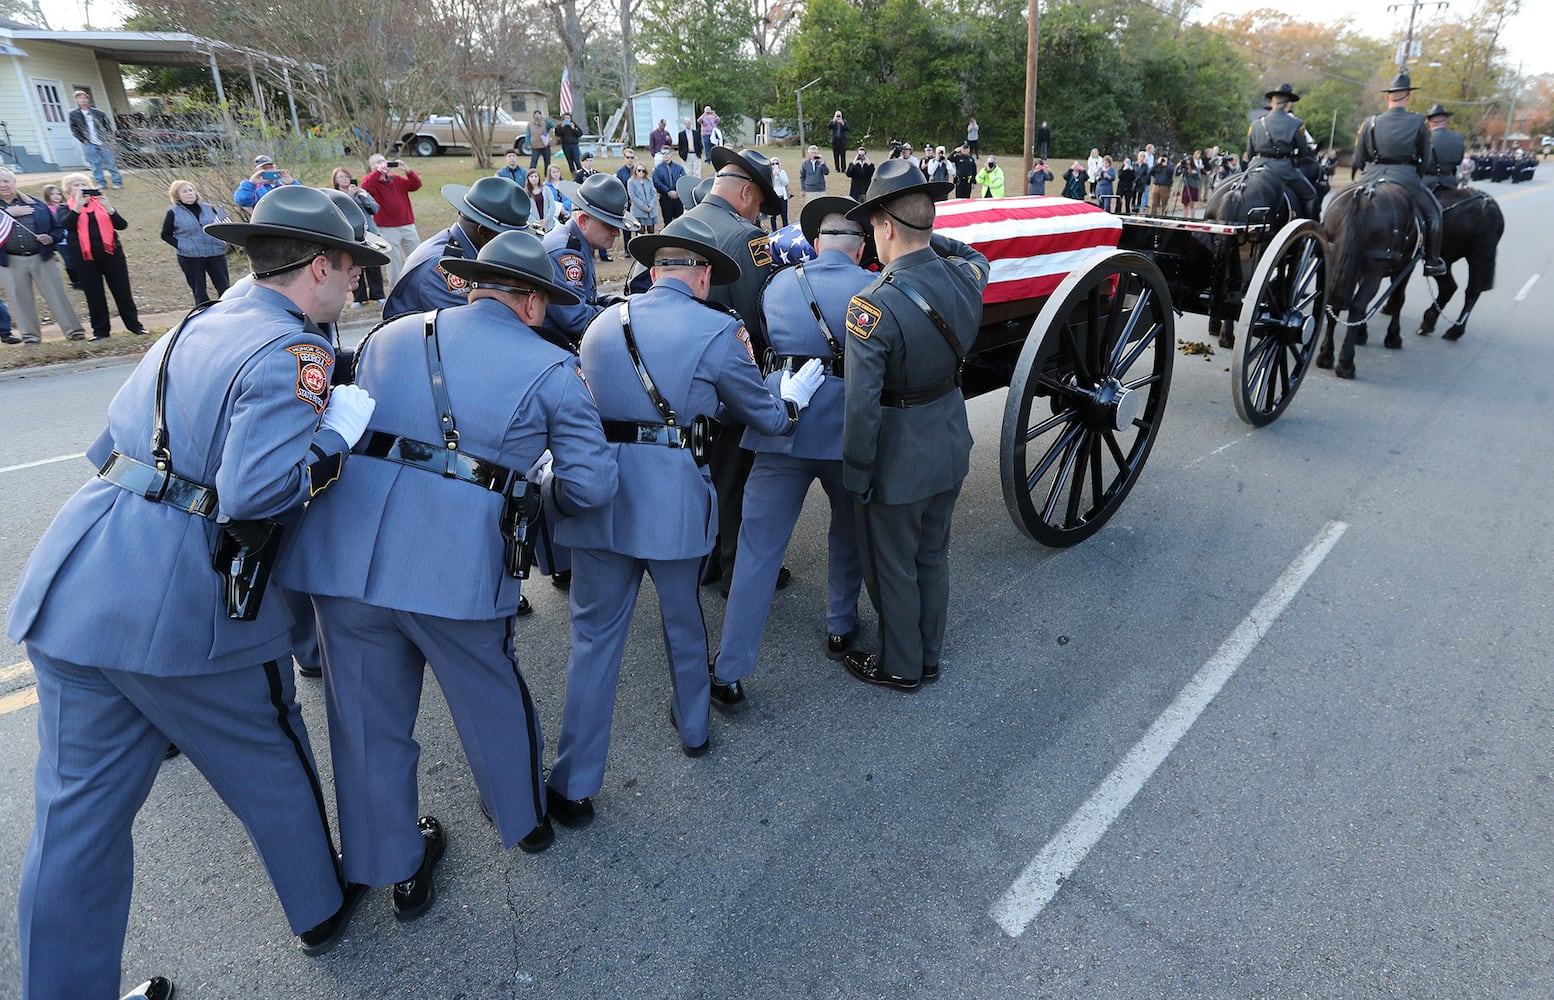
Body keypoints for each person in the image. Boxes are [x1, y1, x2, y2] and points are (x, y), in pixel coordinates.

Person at [6, 185, 389, 1000]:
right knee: (270, 755)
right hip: (183, 606)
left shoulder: (199, 320)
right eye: (353, 266)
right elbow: (258, 492)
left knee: (75, 829)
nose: (356, 283)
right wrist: (336, 435)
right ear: (320, 265)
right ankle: (320, 910)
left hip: (80, 576)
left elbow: (109, 437)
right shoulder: (299, 353)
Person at [277, 227, 616, 918]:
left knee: (365, 721)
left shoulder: (390, 336)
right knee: (491, 700)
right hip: (455, 563)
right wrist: (537, 495)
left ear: (471, 285)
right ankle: (522, 823)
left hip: (348, 557)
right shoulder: (554, 369)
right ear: (531, 304)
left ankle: (394, 864)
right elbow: (592, 486)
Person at [546, 214, 823, 819]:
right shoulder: (718, 330)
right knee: (683, 623)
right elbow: (765, 417)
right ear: (699, 276)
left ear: (651, 270)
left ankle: (573, 784)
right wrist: (794, 398)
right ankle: (694, 728)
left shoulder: (599, 324)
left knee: (592, 641)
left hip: (601, 493)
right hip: (671, 491)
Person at [710, 195, 872, 709]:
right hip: (844, 428)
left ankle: (729, 670)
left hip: (781, 425)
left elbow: (761, 342)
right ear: (861, 247)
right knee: (846, 532)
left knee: (758, 550)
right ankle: (840, 628)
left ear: (816, 242)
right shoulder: (874, 288)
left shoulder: (780, 283)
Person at [838, 159, 989, 690]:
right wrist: (927, 239)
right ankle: (928, 655)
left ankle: (903, 666)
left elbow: (862, 407)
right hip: (948, 441)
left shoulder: (871, 307)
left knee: (892, 566)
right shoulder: (966, 279)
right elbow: (973, 255)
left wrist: (855, 477)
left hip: (898, 460)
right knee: (932, 555)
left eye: (874, 225)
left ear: (885, 228)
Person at [684, 146, 784, 590]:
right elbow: (759, 315)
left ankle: (704, 562)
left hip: (676, 380)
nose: (759, 215)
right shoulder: (747, 239)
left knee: (699, 473)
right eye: (760, 205)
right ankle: (736, 569)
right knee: (734, 477)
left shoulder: (678, 225)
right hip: (726, 379)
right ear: (746, 193)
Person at [382, 176, 532, 320]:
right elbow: (477, 325)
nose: (515, 244)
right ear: (484, 232)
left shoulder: (468, 248)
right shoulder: (442, 265)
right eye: (510, 237)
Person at [1352, 71, 1446, 276]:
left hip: (1370, 176)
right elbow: (1425, 158)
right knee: (1434, 213)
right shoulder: (1420, 122)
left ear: (1387, 98)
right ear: (1408, 97)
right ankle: (1432, 261)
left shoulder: (1370, 122)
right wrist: (1415, 177)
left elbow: (1358, 159)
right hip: (1405, 177)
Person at [541, 173, 638, 347]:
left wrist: (615, 304)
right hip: (554, 346)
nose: (616, 233)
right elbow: (575, 319)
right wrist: (620, 319)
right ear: (584, 220)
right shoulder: (566, 253)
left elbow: (586, 296)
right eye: (609, 225)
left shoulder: (576, 242)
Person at [58, 173, 146, 339]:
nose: (81, 187)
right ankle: (101, 331)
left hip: (111, 253)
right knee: (94, 294)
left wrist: (109, 208)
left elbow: (122, 225)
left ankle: (135, 326)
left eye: (84, 184)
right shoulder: (65, 208)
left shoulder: (100, 205)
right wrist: (77, 206)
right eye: (76, 185)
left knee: (122, 291)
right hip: (84, 257)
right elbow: (67, 225)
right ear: (69, 190)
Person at [0, 168, 84, 343]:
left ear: (14, 182)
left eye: (6, 181)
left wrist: (50, 238)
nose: (3, 185)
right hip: (11, 261)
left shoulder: (36, 204)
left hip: (42, 257)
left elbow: (59, 230)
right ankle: (30, 337)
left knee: (57, 295)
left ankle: (74, 331)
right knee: (20, 300)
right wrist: (8, 214)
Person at [1244, 83, 1321, 221]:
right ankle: (1309, 233)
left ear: (1273, 103)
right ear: (1288, 104)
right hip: (1283, 169)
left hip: (1255, 167)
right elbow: (1303, 152)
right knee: (1311, 196)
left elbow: (1250, 152)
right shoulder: (1296, 124)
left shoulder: (1256, 123)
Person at [160, 178, 231, 305]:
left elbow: (221, 226)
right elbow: (165, 235)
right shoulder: (173, 212)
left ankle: (228, 311)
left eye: (191, 190)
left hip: (215, 253)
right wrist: (182, 246)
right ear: (177, 196)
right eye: (184, 191)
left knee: (224, 288)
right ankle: (203, 315)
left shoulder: (209, 208)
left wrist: (222, 242)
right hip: (190, 257)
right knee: (200, 291)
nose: (189, 193)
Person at [362, 153, 424, 288]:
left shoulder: (396, 179)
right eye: (378, 162)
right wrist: (378, 172)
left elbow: (416, 185)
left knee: (416, 256)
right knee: (394, 261)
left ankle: (418, 283)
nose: (383, 164)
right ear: (372, 167)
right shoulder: (371, 181)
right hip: (387, 228)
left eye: (384, 161)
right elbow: (366, 188)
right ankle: (396, 288)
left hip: (407, 224)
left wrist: (407, 170)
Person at [329, 167, 386, 306]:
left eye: (346, 176)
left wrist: (363, 195)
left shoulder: (361, 192)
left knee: (373, 265)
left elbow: (375, 208)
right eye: (341, 177)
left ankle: (378, 294)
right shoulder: (335, 195)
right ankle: (359, 297)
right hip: (350, 234)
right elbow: (339, 210)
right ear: (335, 180)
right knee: (355, 265)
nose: (344, 179)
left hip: (369, 233)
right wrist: (349, 195)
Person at [68, 90, 123, 190]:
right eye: (80, 98)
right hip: (89, 142)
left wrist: (108, 138)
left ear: (88, 99)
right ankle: (101, 183)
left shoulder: (99, 113)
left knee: (110, 162)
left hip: (104, 141)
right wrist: (83, 140)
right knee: (95, 164)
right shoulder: (74, 114)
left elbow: (108, 126)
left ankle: (117, 182)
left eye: (84, 98)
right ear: (76, 100)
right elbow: (74, 129)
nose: (83, 100)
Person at [40, 183, 80, 289]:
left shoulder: (68, 206)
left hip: (74, 238)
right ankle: (76, 282)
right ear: (47, 196)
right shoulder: (46, 210)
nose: (56, 196)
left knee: (79, 259)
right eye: (52, 194)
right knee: (69, 260)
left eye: (58, 193)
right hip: (61, 242)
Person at [1423, 103, 1465, 193]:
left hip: (1427, 184)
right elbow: (1459, 161)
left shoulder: (1424, 138)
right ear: (1446, 120)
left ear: (1429, 122)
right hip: (1451, 183)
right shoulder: (1458, 138)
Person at [233, 153, 301, 208]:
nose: (269, 170)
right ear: (257, 171)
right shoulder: (253, 189)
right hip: (263, 223)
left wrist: (291, 183)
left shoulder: (284, 186)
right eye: (264, 168)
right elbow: (242, 201)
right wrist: (251, 183)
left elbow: (302, 200)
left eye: (271, 167)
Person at [653, 149, 687, 226]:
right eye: (663, 153)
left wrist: (677, 192)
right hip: (665, 198)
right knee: (668, 222)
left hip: (678, 198)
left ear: (671, 154)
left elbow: (683, 179)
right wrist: (668, 191)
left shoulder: (679, 167)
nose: (666, 155)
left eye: (668, 153)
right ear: (661, 155)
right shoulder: (657, 169)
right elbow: (657, 182)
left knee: (679, 221)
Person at [627, 161, 659, 234]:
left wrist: (651, 206)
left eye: (643, 171)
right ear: (635, 171)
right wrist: (645, 208)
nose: (641, 172)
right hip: (639, 211)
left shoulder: (649, 180)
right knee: (640, 231)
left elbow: (654, 193)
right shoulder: (631, 182)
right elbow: (633, 197)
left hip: (651, 211)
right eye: (639, 170)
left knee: (651, 231)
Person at [767, 155, 791, 230]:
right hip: (773, 198)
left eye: (776, 163)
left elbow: (786, 182)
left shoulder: (782, 172)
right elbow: (769, 183)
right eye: (773, 164)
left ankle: (786, 230)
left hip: (782, 197)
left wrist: (779, 175)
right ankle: (774, 231)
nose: (775, 165)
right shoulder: (768, 173)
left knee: (784, 216)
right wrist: (773, 174)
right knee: (773, 217)